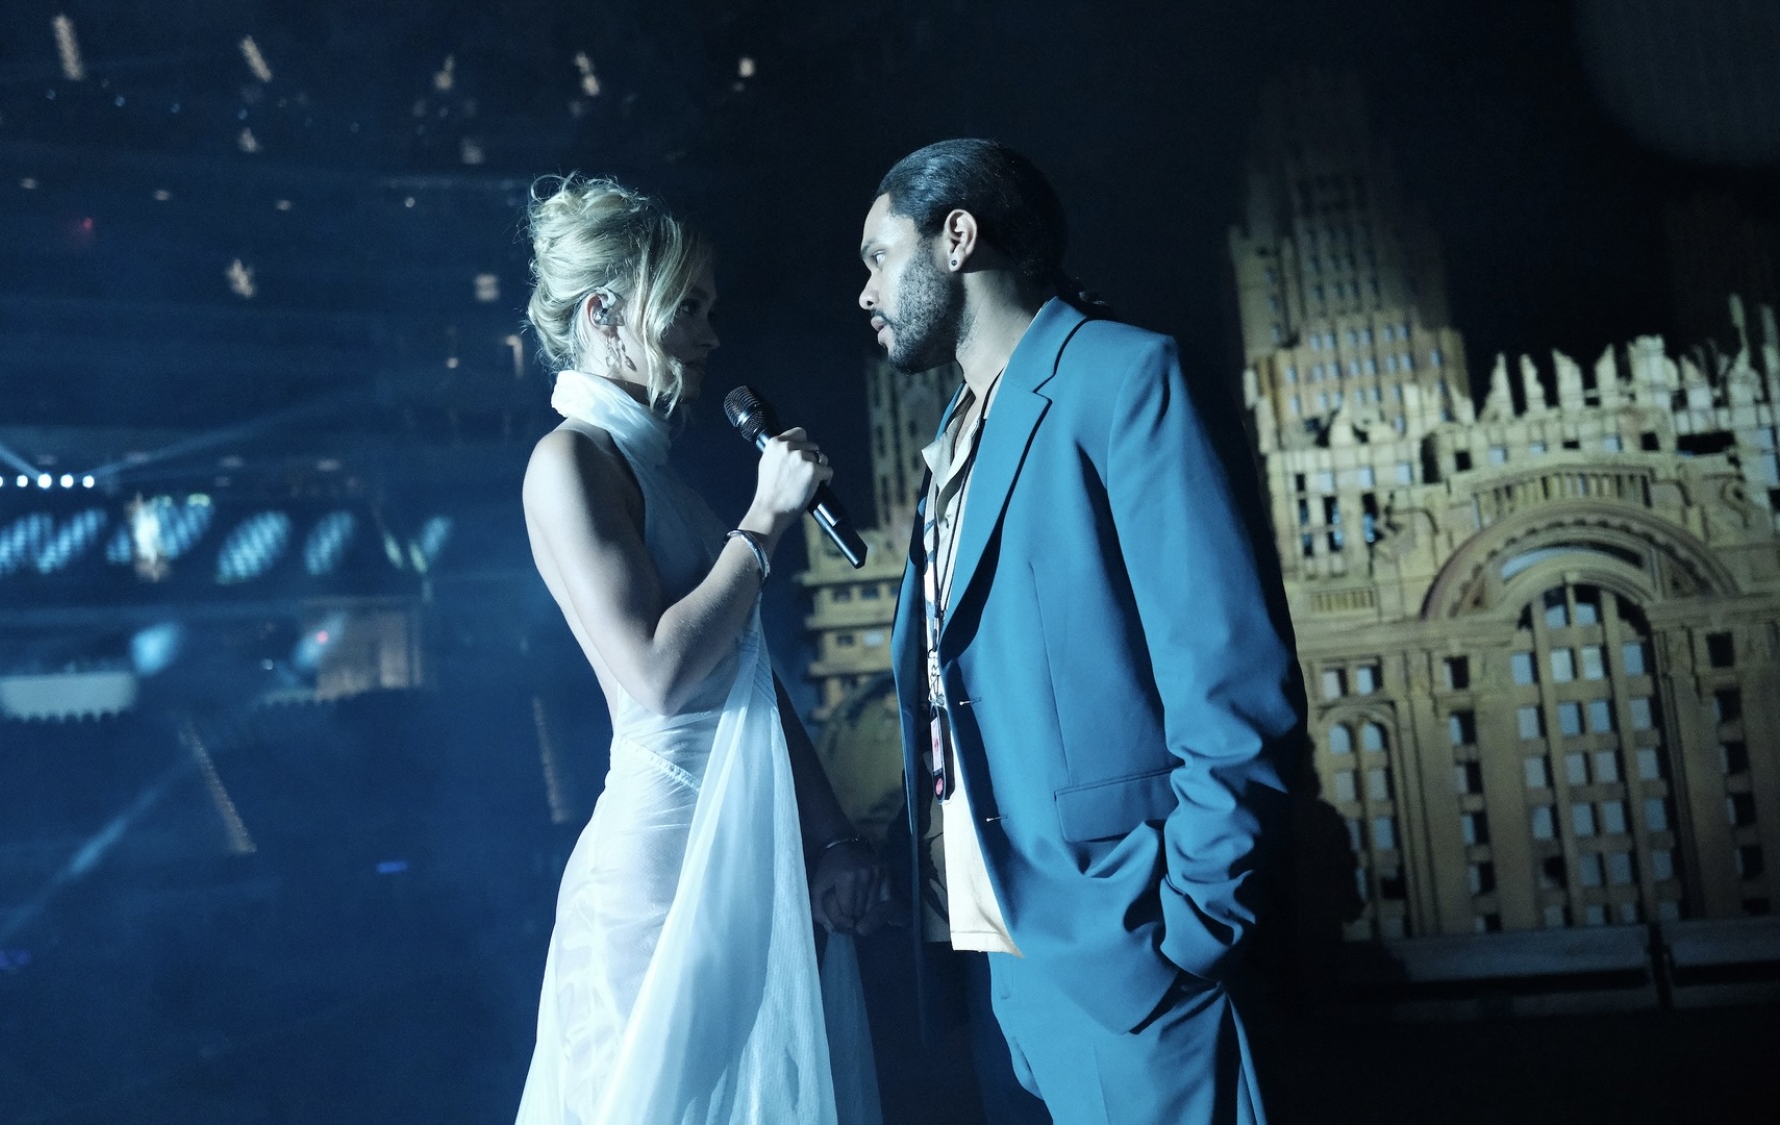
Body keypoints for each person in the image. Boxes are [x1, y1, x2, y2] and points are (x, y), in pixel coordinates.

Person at [860, 139, 1305, 1123]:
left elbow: (1228, 674)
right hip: (992, 955)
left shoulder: (1119, 376)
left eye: (878, 256)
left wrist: (1187, 927)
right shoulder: (950, 443)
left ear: (956, 238)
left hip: (1124, 945)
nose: (864, 291)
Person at [514, 175, 885, 1124]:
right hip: (663, 852)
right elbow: (659, 673)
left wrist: (832, 835)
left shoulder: (652, 471)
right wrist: (762, 523)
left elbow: (742, 678)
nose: (712, 334)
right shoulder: (570, 461)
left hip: (740, 834)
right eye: (688, 306)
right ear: (606, 314)